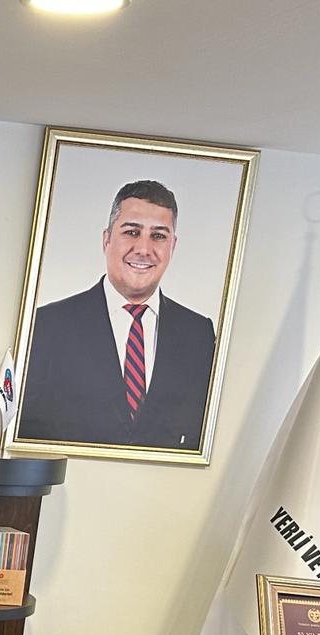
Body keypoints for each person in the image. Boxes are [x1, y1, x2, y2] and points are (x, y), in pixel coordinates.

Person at [17, 180, 216, 450]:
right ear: (106, 239)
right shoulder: (46, 326)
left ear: (173, 245)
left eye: (158, 236)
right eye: (132, 232)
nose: (144, 249)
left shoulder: (199, 334)